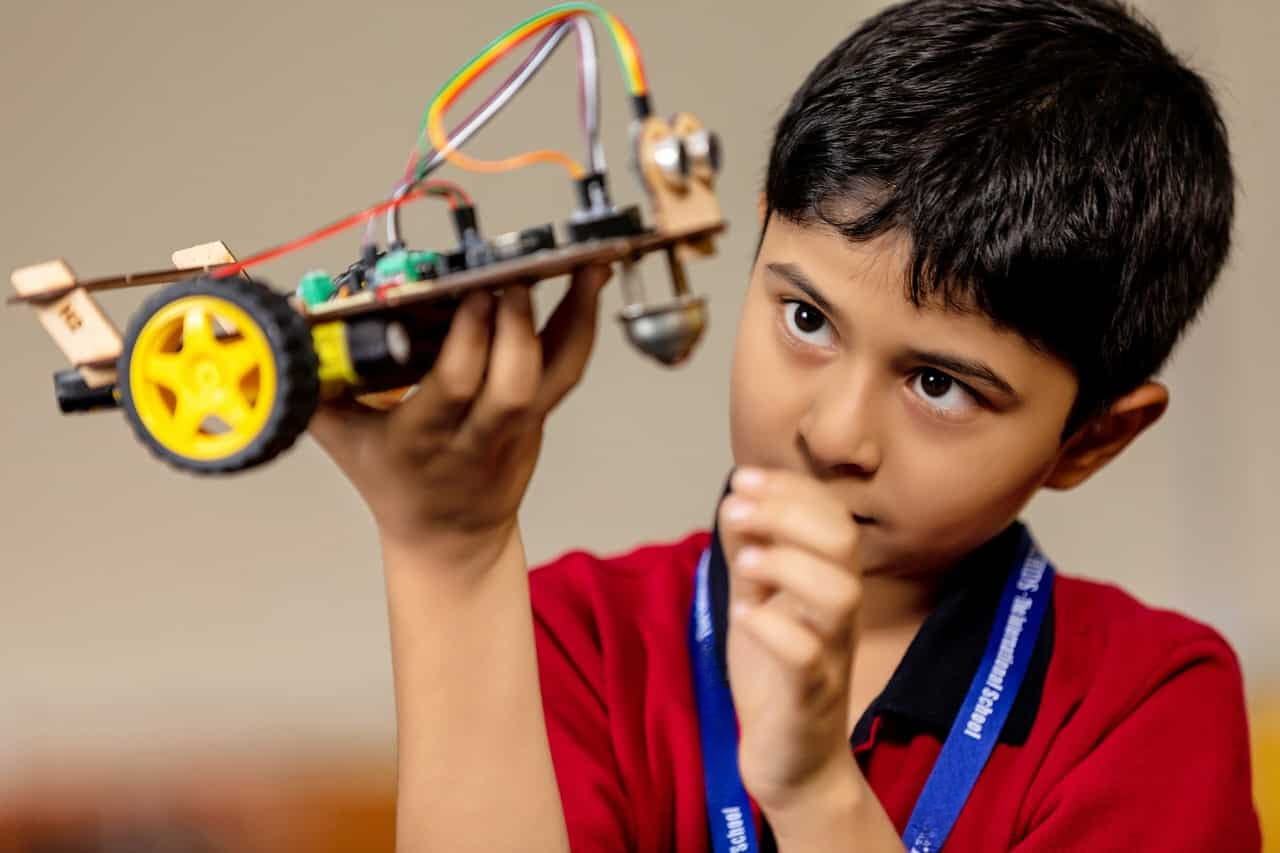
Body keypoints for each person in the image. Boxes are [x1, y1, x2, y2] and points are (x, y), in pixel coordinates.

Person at [309, 0, 1260, 849]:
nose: (835, 433)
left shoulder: (1149, 705)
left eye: (940, 384)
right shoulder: (575, 643)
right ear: (759, 238)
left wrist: (815, 794)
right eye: (806, 319)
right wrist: (451, 557)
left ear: (1093, 437)